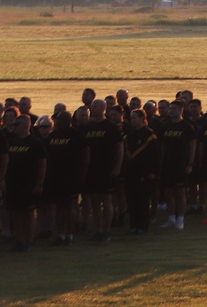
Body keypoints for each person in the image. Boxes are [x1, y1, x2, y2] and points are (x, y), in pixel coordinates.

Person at [44, 111, 88, 245]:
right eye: (58, 120)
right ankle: (61, 234)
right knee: (59, 207)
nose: (58, 122)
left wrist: (83, 174)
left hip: (71, 176)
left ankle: (70, 234)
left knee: (70, 206)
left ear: (69, 120)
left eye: (61, 119)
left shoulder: (77, 135)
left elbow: (86, 155)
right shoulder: (53, 135)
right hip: (55, 177)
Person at [3, 115, 46, 251]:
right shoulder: (11, 142)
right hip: (13, 184)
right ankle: (18, 240)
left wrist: (39, 183)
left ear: (26, 125)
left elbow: (42, 164)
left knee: (28, 213)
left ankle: (29, 241)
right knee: (16, 213)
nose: (14, 126)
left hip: (29, 184)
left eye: (17, 124)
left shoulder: (35, 143)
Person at [84, 99, 123, 242]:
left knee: (107, 201)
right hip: (92, 169)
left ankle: (107, 230)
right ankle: (98, 230)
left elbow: (119, 148)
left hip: (107, 168)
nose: (92, 109)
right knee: (94, 201)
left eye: (95, 107)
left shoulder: (110, 127)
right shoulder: (89, 127)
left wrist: (117, 167)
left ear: (102, 108)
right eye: (92, 107)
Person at [159, 101, 196, 230]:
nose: (171, 111)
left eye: (174, 108)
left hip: (181, 164)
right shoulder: (166, 126)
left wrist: (190, 163)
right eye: (170, 108)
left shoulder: (187, 126)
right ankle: (170, 219)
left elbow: (192, 146)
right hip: (167, 164)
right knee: (168, 193)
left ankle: (180, 219)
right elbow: (162, 146)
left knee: (180, 193)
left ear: (181, 110)